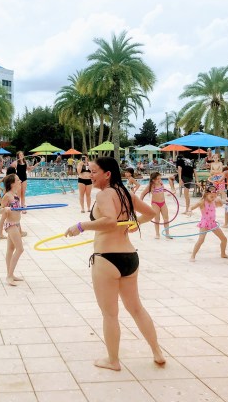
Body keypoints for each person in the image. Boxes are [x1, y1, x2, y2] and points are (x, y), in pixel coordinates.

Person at [64, 156, 165, 370]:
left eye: (94, 172)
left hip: (107, 259)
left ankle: (113, 360)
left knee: (110, 314)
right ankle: (157, 352)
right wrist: (134, 224)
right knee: (136, 309)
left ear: (107, 174)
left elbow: (109, 221)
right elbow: (151, 213)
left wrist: (81, 226)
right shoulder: (126, 193)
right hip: (129, 257)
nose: (90, 175)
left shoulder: (104, 194)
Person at [190, 185, 228, 261]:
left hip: (213, 223)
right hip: (205, 223)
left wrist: (221, 197)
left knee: (224, 239)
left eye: (214, 197)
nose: (213, 198)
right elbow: (191, 207)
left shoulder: (214, 201)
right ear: (206, 194)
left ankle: (223, 254)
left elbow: (221, 204)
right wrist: (189, 211)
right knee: (201, 240)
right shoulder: (202, 202)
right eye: (211, 197)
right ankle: (193, 256)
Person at [0, 174, 25, 286]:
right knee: (20, 249)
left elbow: (16, 209)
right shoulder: (7, 196)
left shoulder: (15, 195)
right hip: (11, 225)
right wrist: (5, 209)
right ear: (12, 183)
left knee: (10, 249)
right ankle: (9, 276)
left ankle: (10, 274)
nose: (20, 181)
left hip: (17, 224)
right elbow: (0, 210)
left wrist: (22, 209)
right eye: (18, 180)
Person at [140, 172, 173, 239]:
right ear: (153, 180)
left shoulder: (161, 183)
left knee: (166, 219)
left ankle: (167, 234)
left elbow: (162, 190)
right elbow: (142, 194)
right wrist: (140, 202)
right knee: (157, 220)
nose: (159, 180)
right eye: (158, 179)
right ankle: (157, 234)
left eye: (160, 178)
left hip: (163, 203)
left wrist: (169, 192)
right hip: (155, 204)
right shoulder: (151, 186)